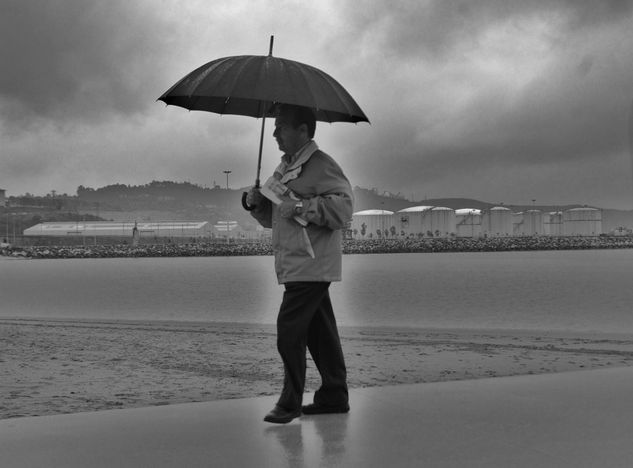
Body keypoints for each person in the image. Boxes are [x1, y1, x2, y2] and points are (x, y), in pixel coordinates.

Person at [245, 104, 354, 424]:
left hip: (311, 263)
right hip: (295, 263)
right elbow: (274, 219)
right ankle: (334, 395)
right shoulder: (284, 168)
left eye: (282, 126)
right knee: (321, 333)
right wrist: (254, 204)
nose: (276, 132)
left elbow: (343, 210)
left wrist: (302, 206)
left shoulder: (321, 165)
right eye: (276, 127)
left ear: (304, 131)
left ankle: (290, 401)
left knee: (289, 332)